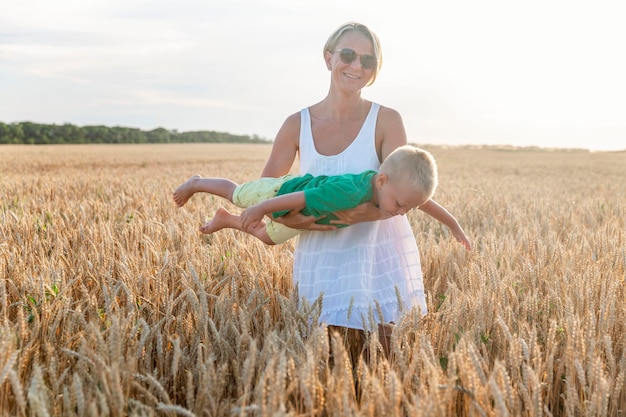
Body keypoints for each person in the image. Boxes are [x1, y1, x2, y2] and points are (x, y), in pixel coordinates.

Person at [257, 21, 471, 358]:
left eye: (367, 60)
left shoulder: (387, 120)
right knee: (327, 360)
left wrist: (451, 222)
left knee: (383, 358)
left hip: (378, 253)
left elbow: (404, 187)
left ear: (374, 70)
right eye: (348, 55)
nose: (356, 65)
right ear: (329, 58)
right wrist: (300, 223)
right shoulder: (296, 125)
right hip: (321, 251)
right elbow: (266, 194)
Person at [173, 145, 438, 245]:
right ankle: (197, 183)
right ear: (381, 181)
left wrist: (454, 225)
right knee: (238, 194)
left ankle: (225, 220)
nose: (400, 213)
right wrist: (262, 207)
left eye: (408, 210)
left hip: (303, 214)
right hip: (281, 193)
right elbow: (301, 198)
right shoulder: (347, 192)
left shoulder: (388, 192)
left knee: (268, 238)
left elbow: (422, 202)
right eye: (401, 205)